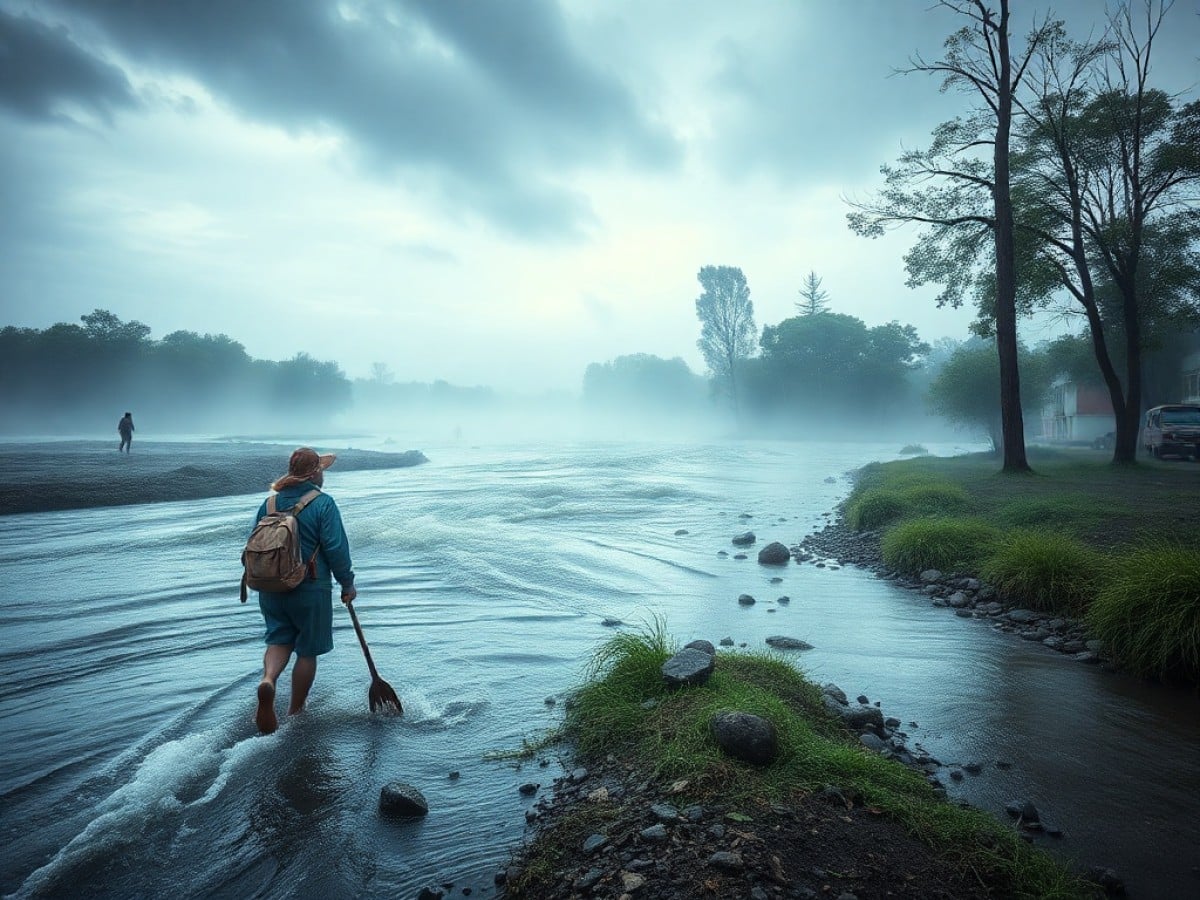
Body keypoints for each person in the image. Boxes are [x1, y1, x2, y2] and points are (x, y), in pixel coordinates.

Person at [252, 446, 357, 734]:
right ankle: (296, 711)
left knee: (279, 640)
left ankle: (269, 679)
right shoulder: (323, 503)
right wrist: (347, 584)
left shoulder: (269, 504)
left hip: (270, 587)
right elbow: (336, 549)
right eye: (321, 469)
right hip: (310, 587)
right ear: (315, 473)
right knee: (307, 651)